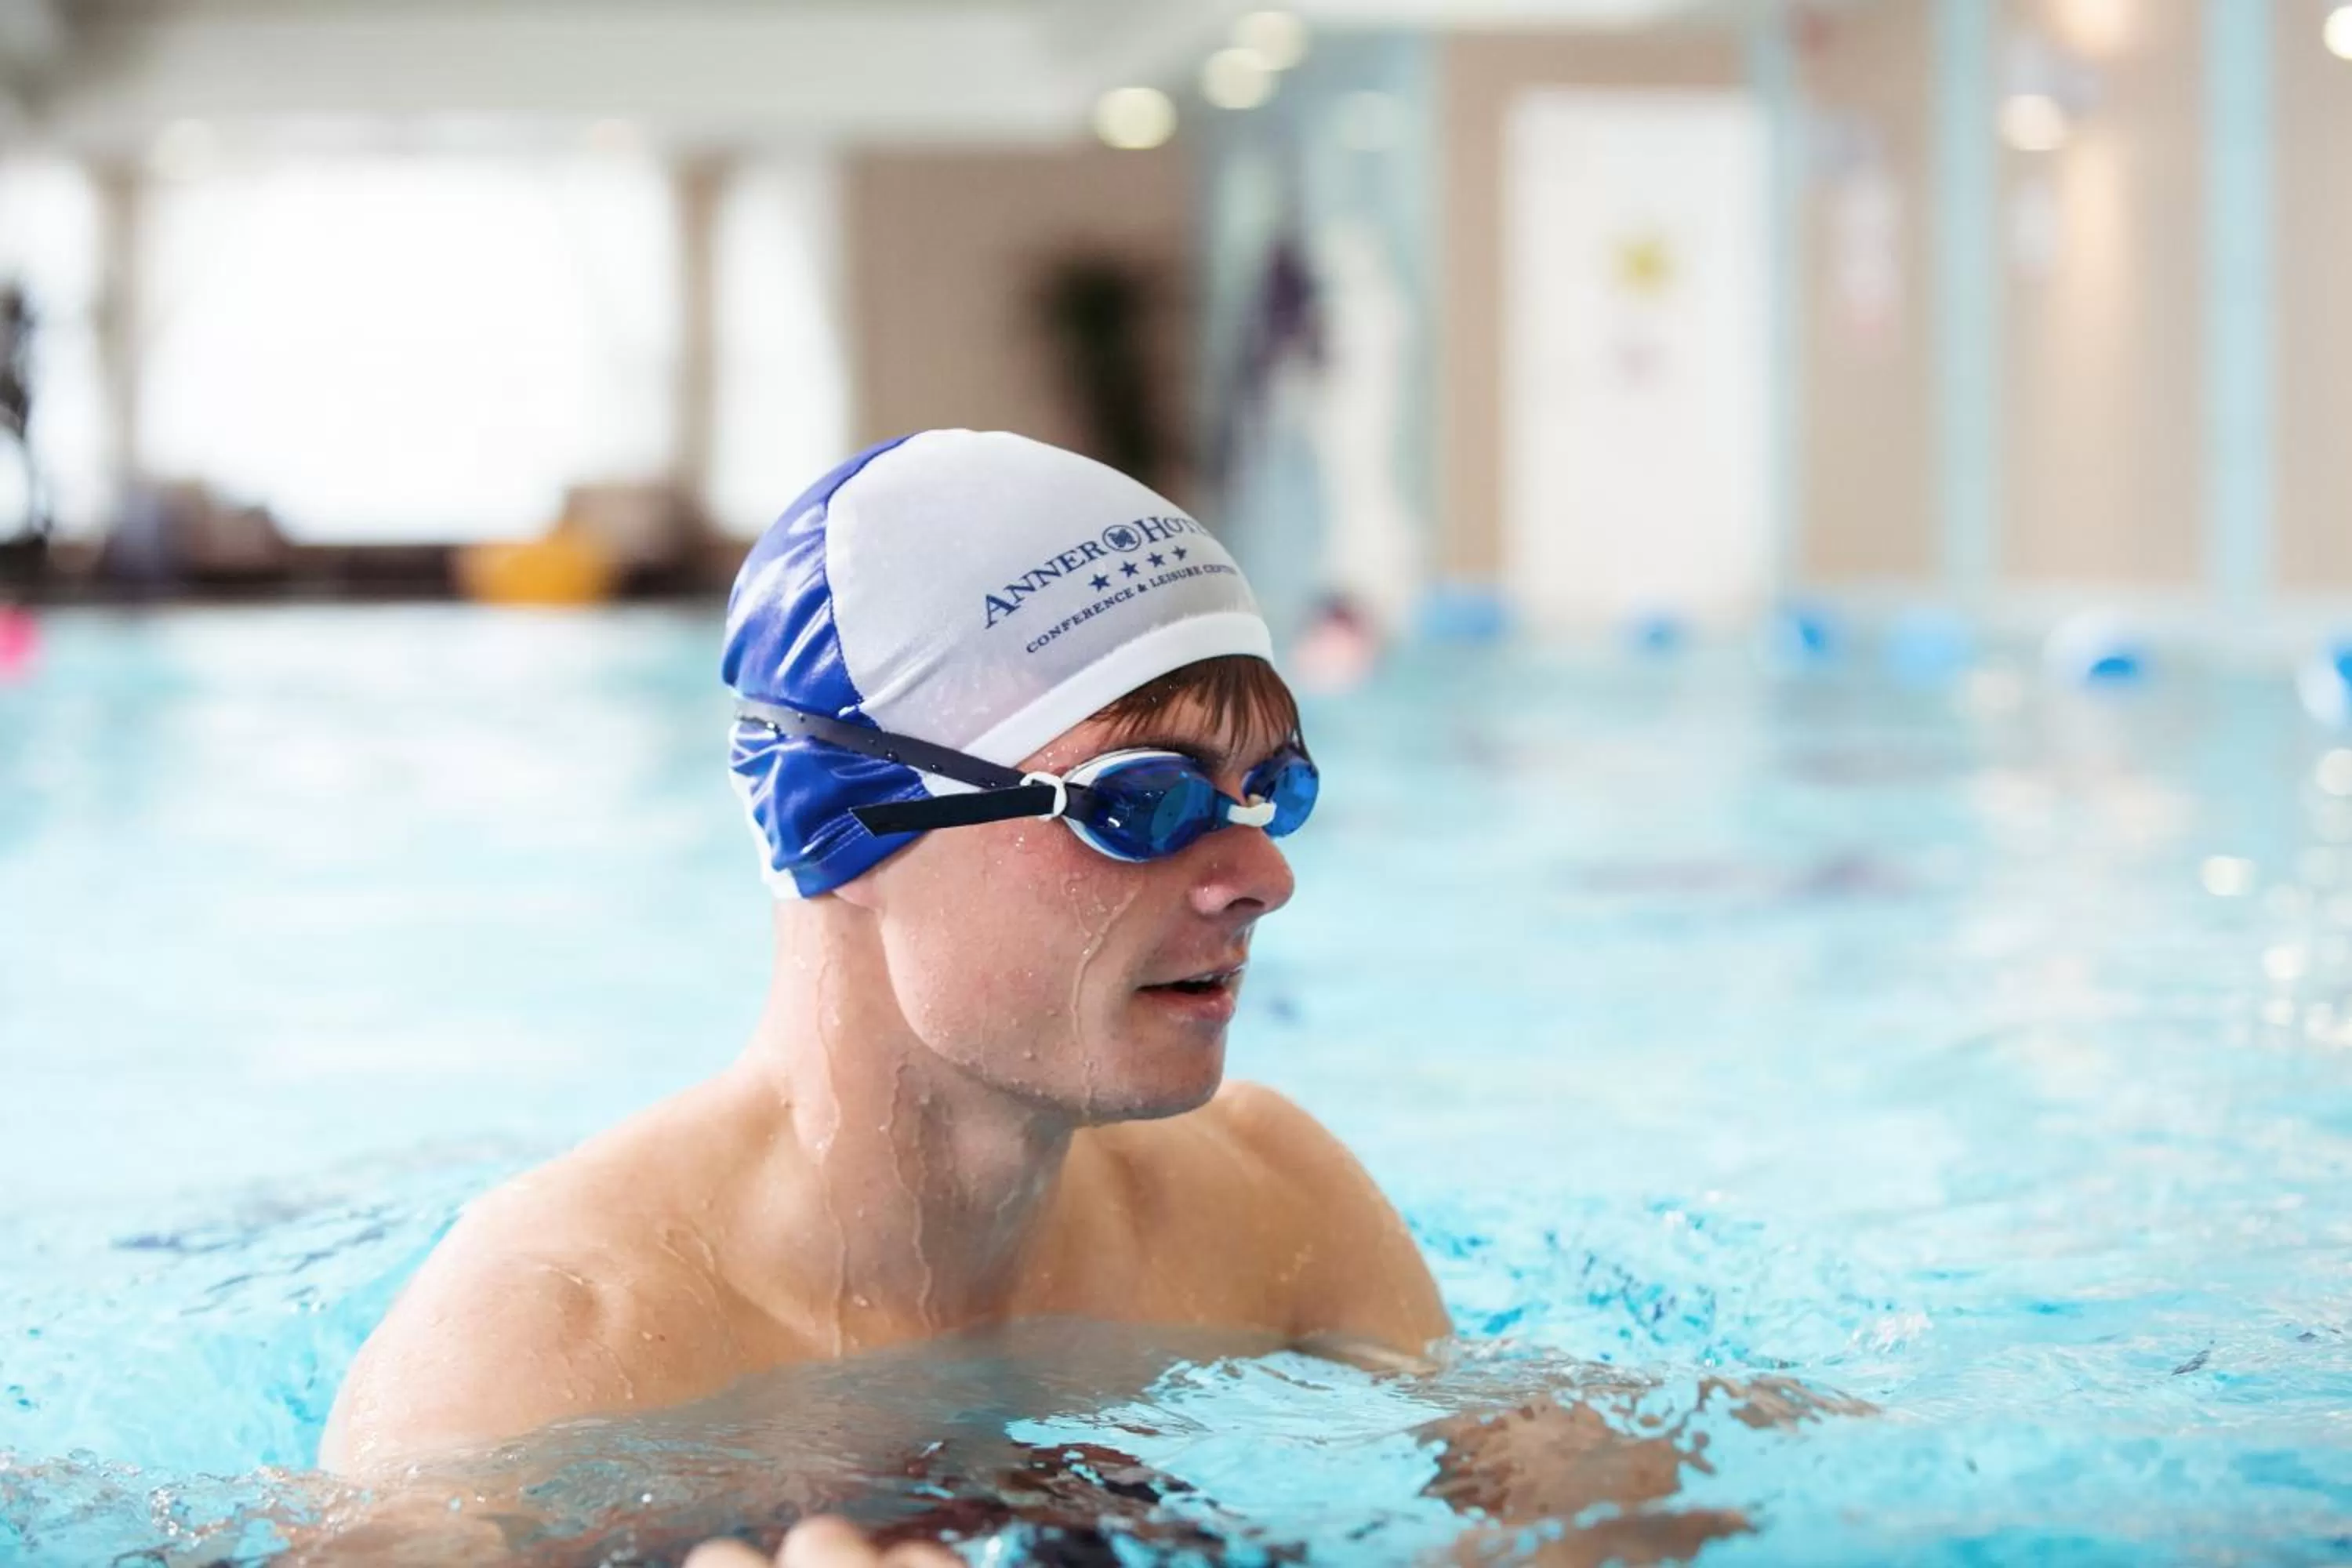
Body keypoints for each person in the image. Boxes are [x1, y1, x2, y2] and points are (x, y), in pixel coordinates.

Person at [318, 430, 1456, 1558]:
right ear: (841, 824)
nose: (1264, 878)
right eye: (1140, 801)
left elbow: (1568, 1511)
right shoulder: (536, 1366)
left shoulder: (1273, 1209)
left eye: (1271, 790)